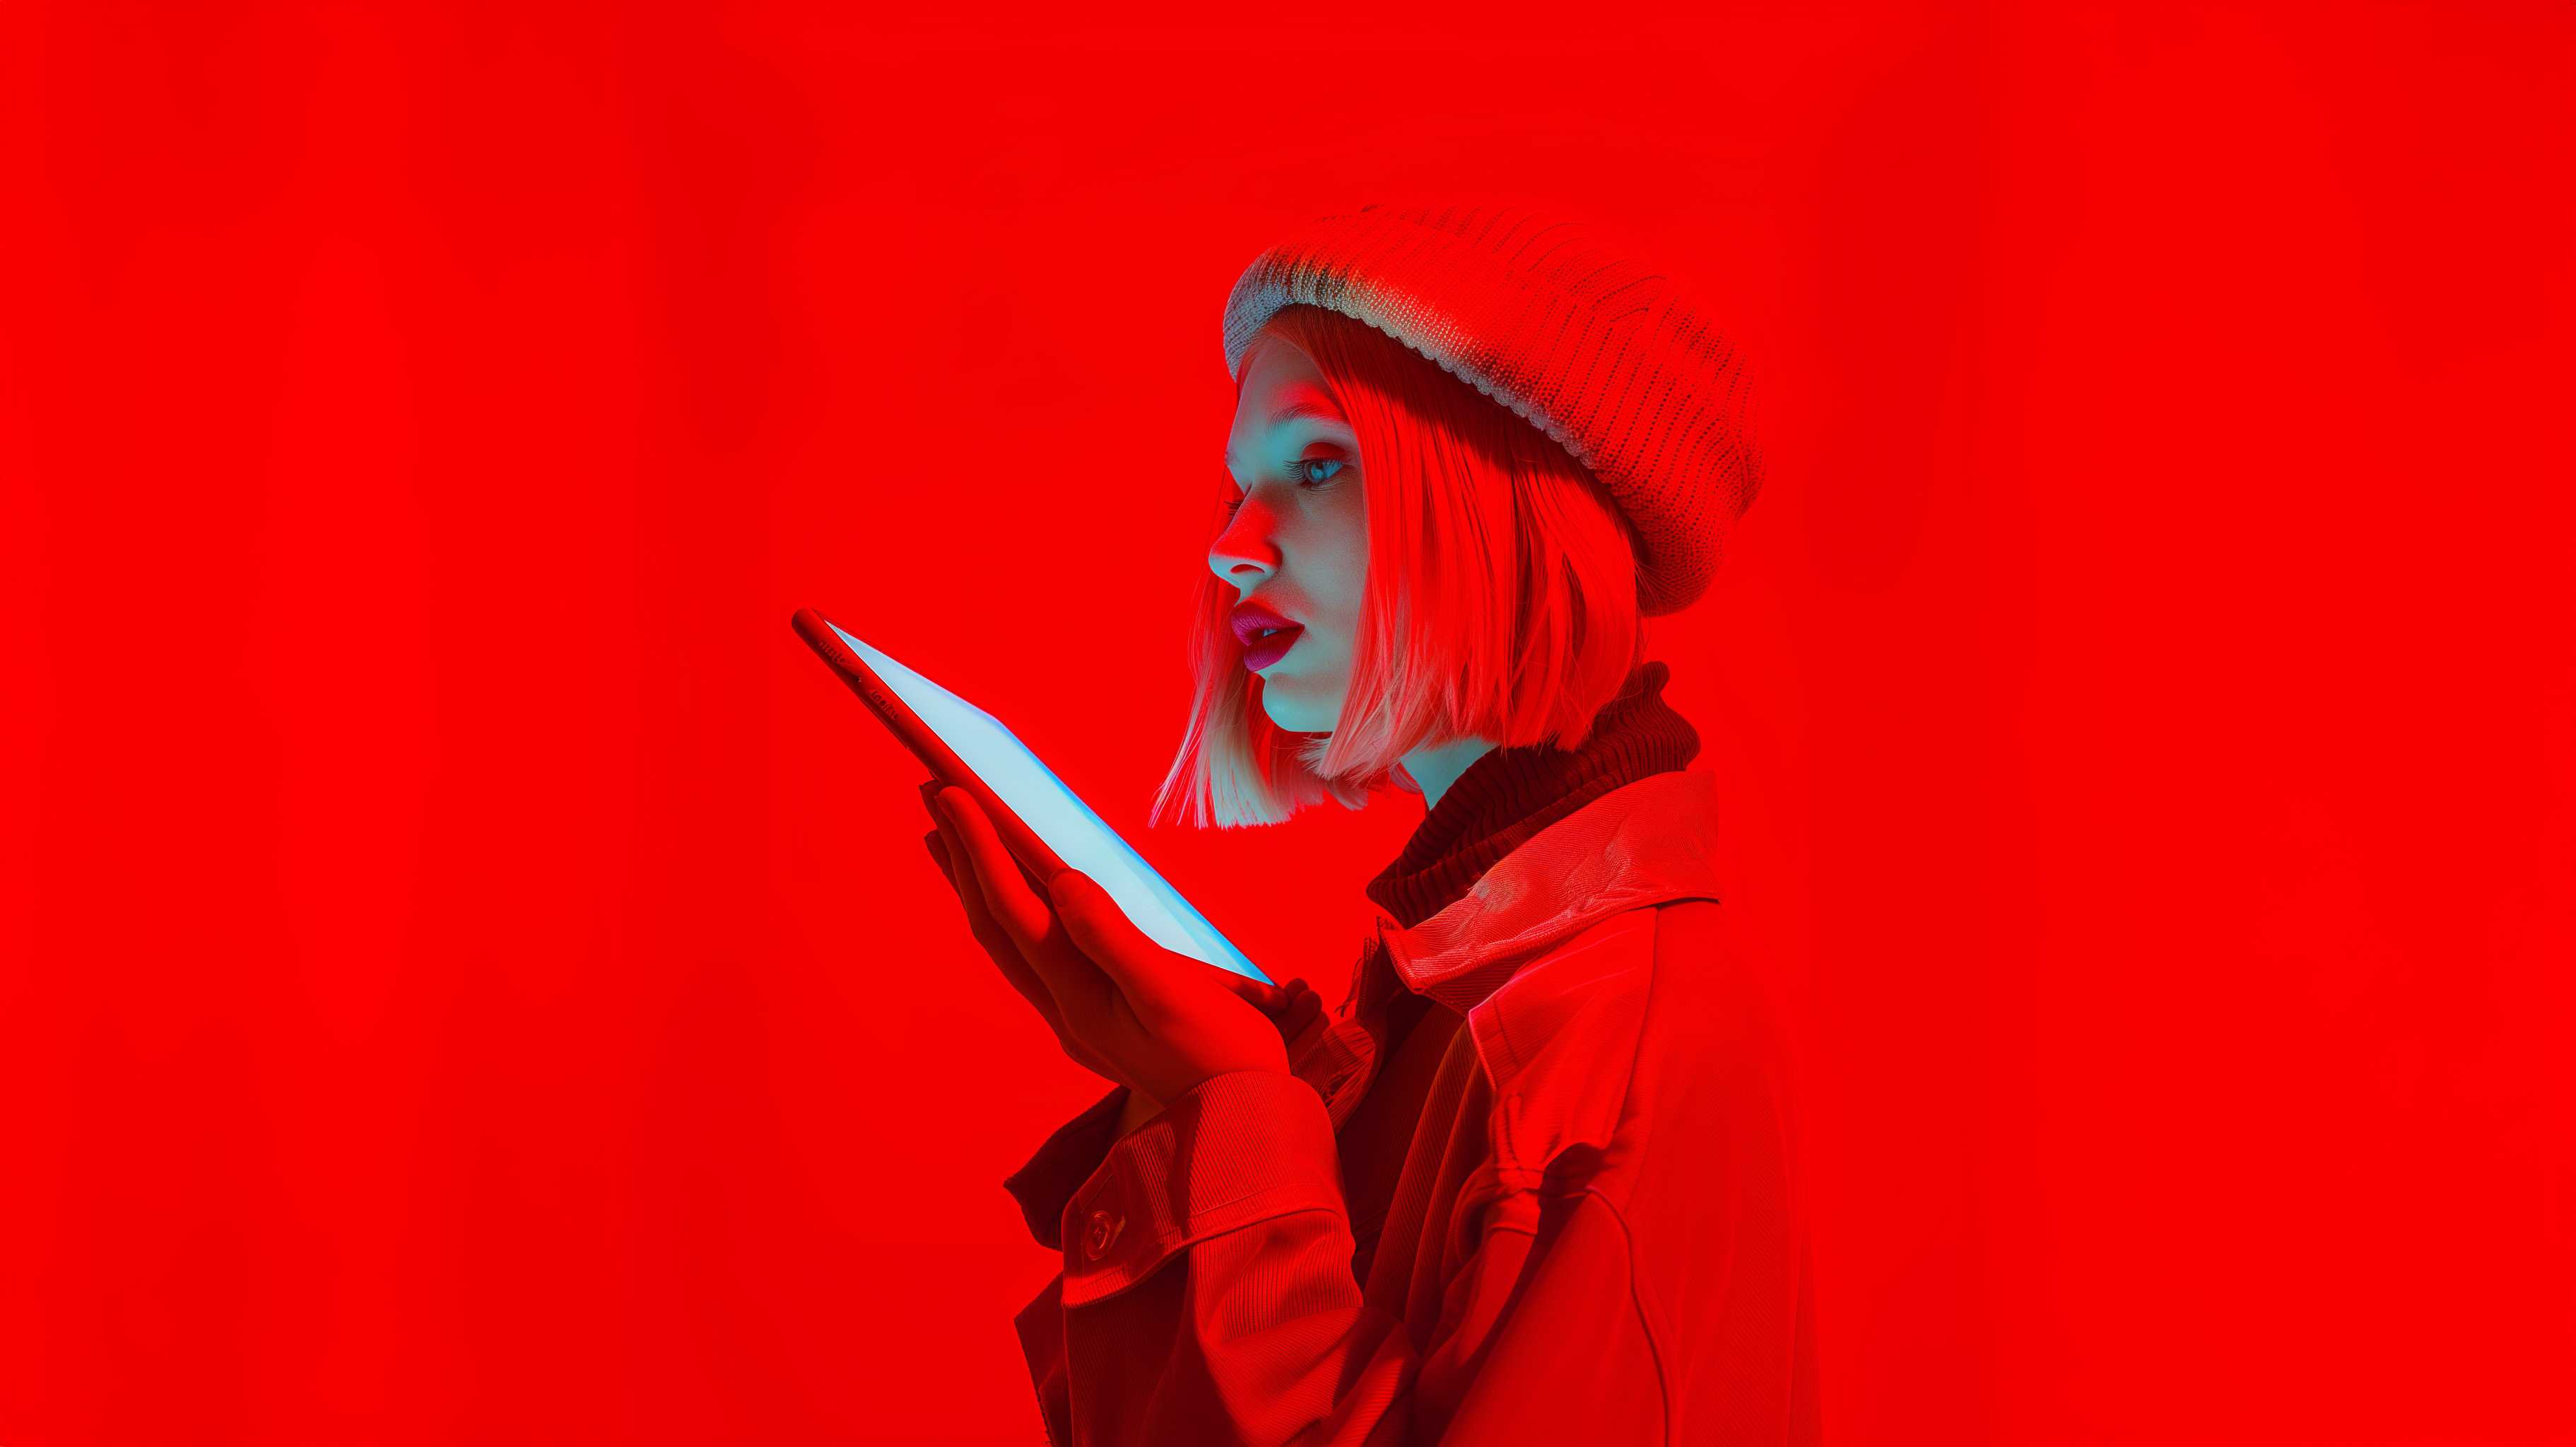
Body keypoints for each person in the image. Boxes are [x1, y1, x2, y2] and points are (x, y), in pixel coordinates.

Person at [917, 200, 1819, 1445]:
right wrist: (1209, 1101)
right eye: (1241, 486)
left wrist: (1226, 1108)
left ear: (1510, 498)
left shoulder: (1614, 1041)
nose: (1231, 549)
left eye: (1317, 466)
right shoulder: (1455, 992)